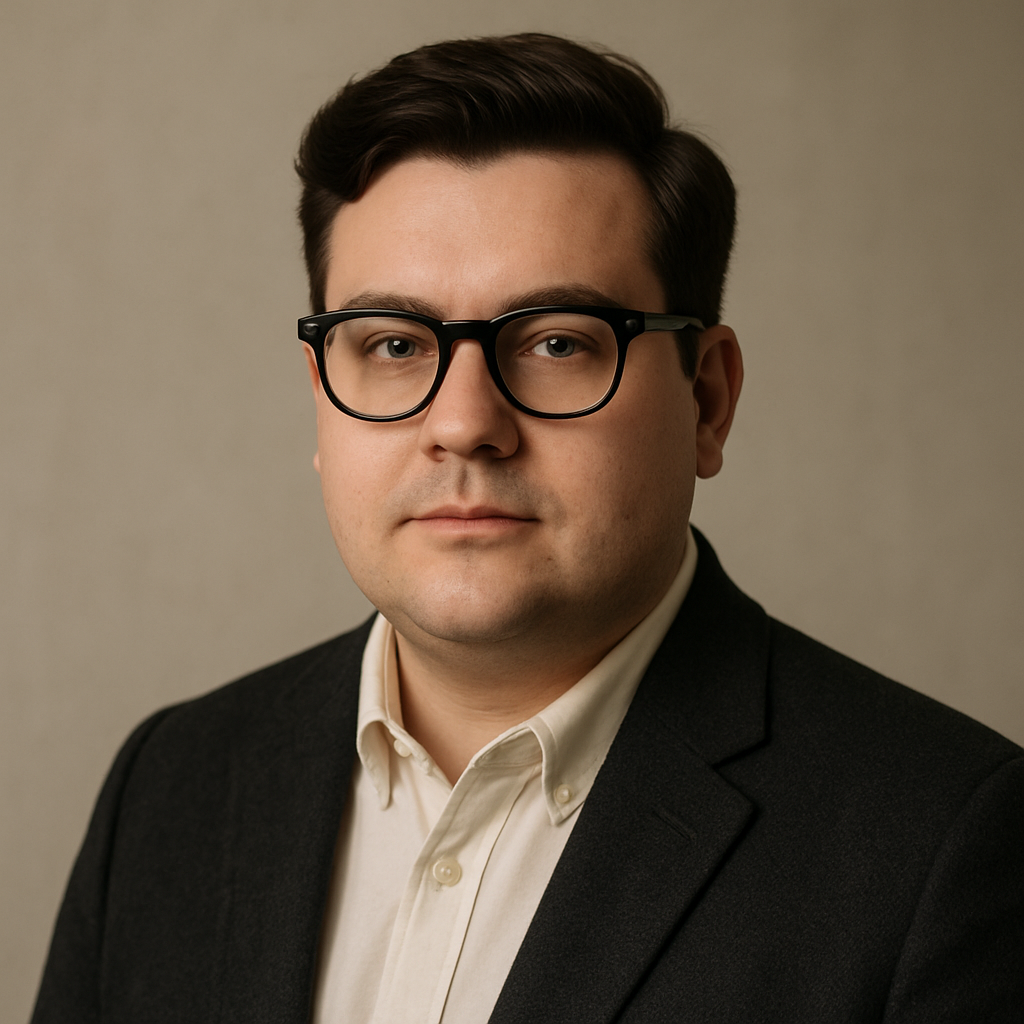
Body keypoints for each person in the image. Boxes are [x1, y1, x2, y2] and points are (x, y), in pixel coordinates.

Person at [31, 32, 1022, 1024]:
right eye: (390, 343)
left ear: (707, 399)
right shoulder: (172, 785)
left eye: (556, 341)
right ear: (321, 403)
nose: (463, 422)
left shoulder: (942, 844)